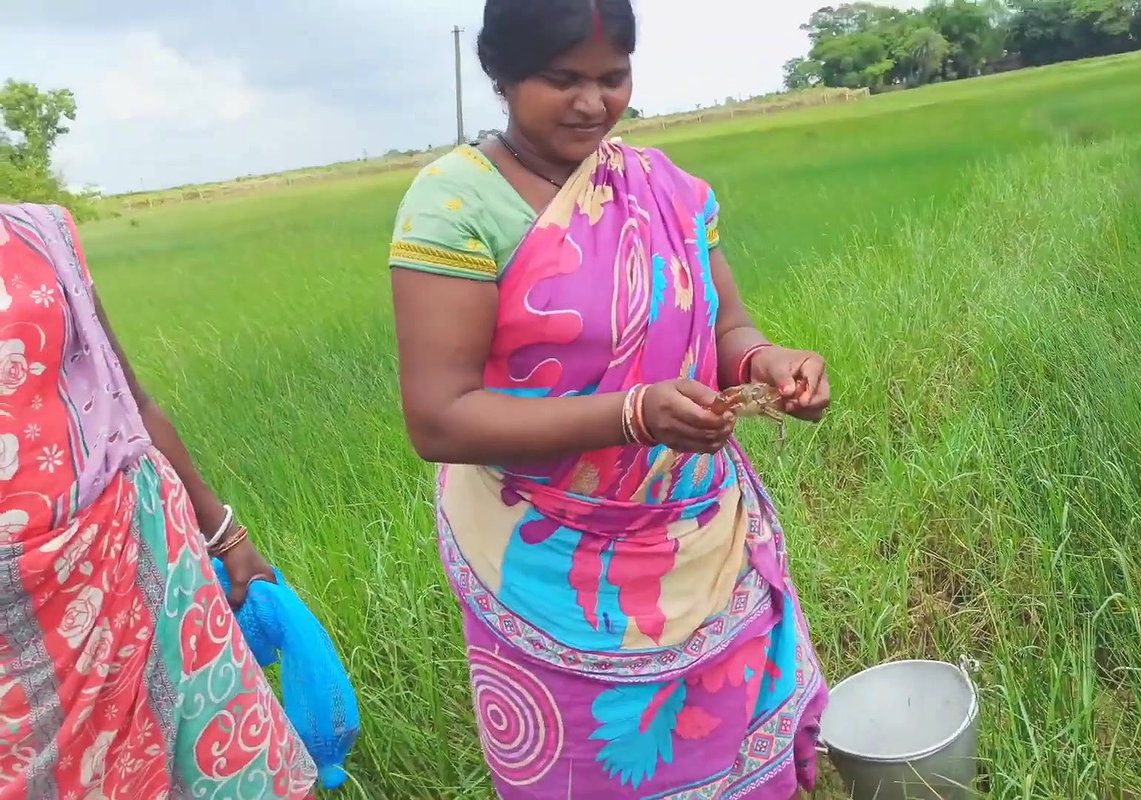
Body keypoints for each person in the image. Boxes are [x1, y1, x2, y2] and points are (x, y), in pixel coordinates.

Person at [387, 1, 832, 797]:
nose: (593, 104)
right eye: (563, 80)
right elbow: (439, 415)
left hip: (705, 537)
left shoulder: (667, 188)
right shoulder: (456, 205)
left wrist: (767, 362)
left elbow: (727, 324)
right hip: (553, 566)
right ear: (501, 73)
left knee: (739, 760)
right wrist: (631, 414)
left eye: (612, 77)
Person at [0, 203, 316, 798]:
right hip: (16, 632)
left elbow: (130, 398)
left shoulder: (42, 232)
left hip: (135, 548)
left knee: (217, 756)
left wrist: (226, 532)